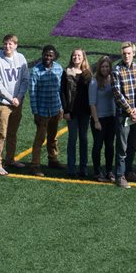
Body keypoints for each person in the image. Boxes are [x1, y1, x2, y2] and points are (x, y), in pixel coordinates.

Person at [0, 33, 29, 176]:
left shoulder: (21, 58)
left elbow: (25, 79)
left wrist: (19, 96)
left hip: (17, 102)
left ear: (16, 45)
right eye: (5, 43)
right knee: (1, 134)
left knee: (13, 132)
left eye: (10, 44)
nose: (7, 46)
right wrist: (11, 98)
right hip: (3, 103)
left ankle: (10, 159)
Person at [110, 41, 136, 187]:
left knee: (132, 145)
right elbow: (117, 94)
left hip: (135, 114)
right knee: (122, 147)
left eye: (129, 53)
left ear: (134, 54)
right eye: (124, 53)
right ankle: (120, 175)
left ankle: (129, 171)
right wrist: (130, 110)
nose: (126, 56)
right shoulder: (116, 70)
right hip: (123, 115)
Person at [26, 45, 64, 174]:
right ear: (42, 55)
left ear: (54, 56)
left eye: (50, 55)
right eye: (46, 55)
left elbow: (61, 90)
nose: (47, 57)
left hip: (55, 109)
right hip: (42, 112)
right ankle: (35, 165)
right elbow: (32, 93)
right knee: (40, 139)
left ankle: (52, 159)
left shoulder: (59, 69)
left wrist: (61, 108)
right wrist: (35, 112)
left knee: (53, 137)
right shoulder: (36, 70)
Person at [61, 48, 92, 179]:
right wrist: (66, 110)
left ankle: (83, 168)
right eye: (74, 55)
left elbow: (91, 94)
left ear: (83, 58)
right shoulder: (66, 72)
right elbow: (62, 92)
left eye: (79, 55)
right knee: (72, 140)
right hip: (71, 112)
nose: (76, 57)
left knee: (83, 140)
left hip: (85, 112)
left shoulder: (88, 74)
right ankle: (71, 168)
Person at [88, 55, 117, 181]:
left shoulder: (113, 80)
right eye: (102, 66)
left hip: (111, 118)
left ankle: (109, 170)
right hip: (99, 119)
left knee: (110, 146)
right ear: (99, 68)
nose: (105, 69)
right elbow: (92, 103)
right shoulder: (94, 82)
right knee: (98, 145)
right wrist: (96, 121)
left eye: (107, 66)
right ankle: (97, 171)